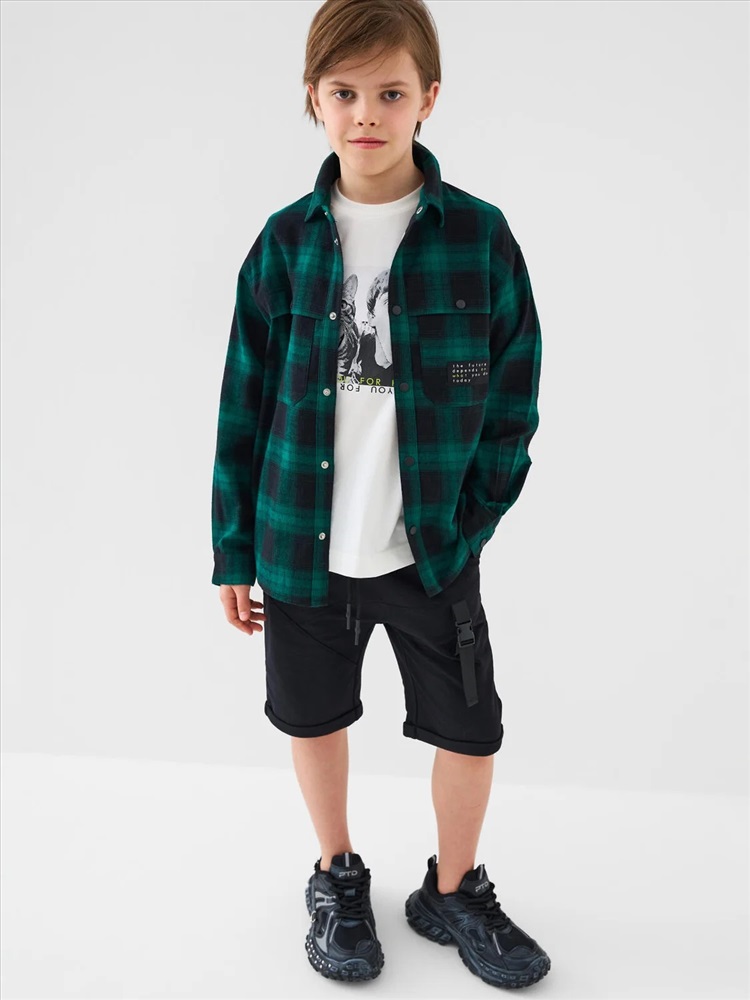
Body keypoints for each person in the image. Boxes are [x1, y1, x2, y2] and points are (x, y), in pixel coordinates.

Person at [210, 0, 549, 989]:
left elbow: (514, 396)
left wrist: (469, 521)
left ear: (428, 98)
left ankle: (452, 889)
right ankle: (336, 873)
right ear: (313, 99)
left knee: (470, 726)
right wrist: (234, 550)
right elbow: (242, 405)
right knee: (313, 717)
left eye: (391, 93)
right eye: (345, 92)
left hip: (431, 550)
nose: (367, 113)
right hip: (301, 547)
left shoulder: (479, 237)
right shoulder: (284, 244)